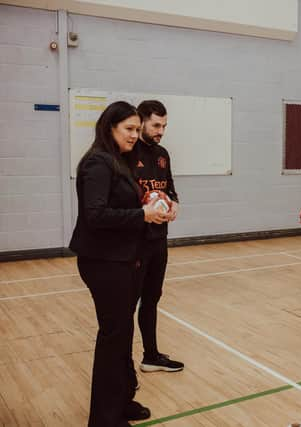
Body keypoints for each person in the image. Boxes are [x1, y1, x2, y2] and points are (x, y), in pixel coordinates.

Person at [69, 101, 167, 426]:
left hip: (122, 260)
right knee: (114, 336)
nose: (134, 135)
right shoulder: (97, 163)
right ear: (109, 127)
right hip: (104, 262)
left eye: (137, 129)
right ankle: (104, 418)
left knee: (122, 333)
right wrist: (143, 214)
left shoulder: (118, 161)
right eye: (129, 129)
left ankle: (123, 400)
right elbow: (95, 216)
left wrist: (154, 204)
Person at [129, 100, 184, 375]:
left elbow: (170, 188)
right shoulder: (127, 153)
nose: (161, 131)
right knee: (128, 303)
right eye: (156, 125)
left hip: (158, 240)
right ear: (141, 122)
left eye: (164, 125)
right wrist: (143, 212)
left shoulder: (163, 154)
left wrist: (174, 203)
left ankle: (150, 356)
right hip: (134, 242)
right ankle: (122, 363)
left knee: (152, 298)